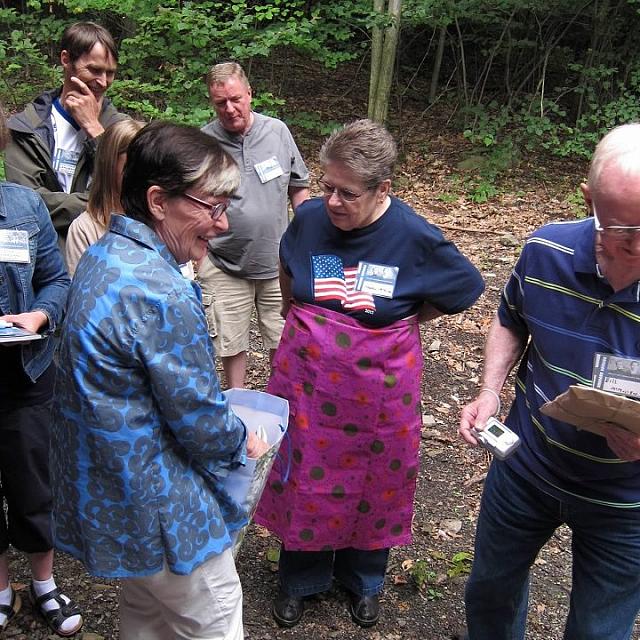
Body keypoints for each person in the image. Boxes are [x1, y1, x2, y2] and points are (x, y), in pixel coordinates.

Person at [254, 119, 484, 628]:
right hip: (309, 379)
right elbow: (288, 271)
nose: (333, 201)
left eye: (348, 193)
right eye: (328, 186)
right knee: (306, 470)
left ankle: (362, 581)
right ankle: (300, 579)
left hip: (380, 386)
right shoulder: (310, 218)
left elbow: (465, 288)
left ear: (384, 190)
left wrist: (398, 321)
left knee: (376, 477)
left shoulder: (414, 236)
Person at [51, 121, 268, 639]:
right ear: (157, 200)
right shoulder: (161, 291)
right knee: (214, 617)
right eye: (211, 206)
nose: (221, 225)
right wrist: (247, 443)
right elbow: (199, 421)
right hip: (164, 510)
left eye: (226, 205)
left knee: (147, 617)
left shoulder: (104, 255)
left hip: (117, 499)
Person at [458, 122, 640, 640]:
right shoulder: (547, 252)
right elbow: (511, 317)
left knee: (599, 630)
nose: (634, 251)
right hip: (526, 467)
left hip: (626, 503)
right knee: (491, 594)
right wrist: (490, 389)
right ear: (589, 201)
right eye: (621, 234)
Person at [0, 104, 80, 636]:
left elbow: (58, 280)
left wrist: (41, 313)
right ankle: (2, 589)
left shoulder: (25, 206)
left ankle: (44, 584)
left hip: (27, 373)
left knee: (34, 483)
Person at [198, 62, 310, 389]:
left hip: (278, 262)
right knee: (230, 342)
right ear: (212, 102)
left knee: (282, 338)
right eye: (221, 103)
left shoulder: (277, 132)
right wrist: (199, 250)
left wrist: (304, 234)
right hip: (223, 261)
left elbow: (299, 185)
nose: (230, 108)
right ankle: (237, 404)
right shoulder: (205, 142)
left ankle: (280, 403)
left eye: (235, 99)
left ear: (249, 94)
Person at [5, 21, 125, 246]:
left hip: (104, 248)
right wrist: (100, 206)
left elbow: (129, 188)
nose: (103, 82)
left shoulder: (119, 127)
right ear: (66, 59)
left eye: (110, 73)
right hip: (43, 252)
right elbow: (26, 201)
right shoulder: (26, 128)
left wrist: (95, 130)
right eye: (94, 70)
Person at [65, 118, 144, 275]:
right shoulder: (85, 228)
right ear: (110, 164)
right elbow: (81, 293)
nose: (142, 173)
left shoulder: (163, 219)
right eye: (132, 165)